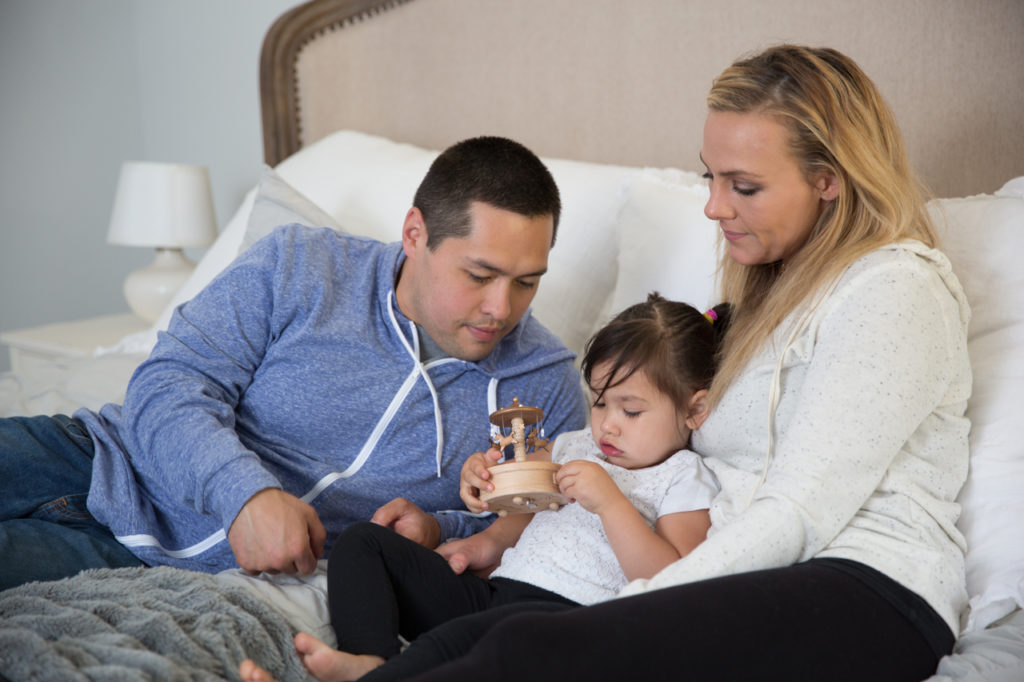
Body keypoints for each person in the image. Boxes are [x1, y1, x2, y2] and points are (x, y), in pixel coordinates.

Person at [377, 45, 973, 682]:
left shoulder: (893, 290)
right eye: (711, 177)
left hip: (870, 587)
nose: (715, 207)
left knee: (534, 651)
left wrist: (630, 606)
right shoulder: (764, 299)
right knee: (490, 642)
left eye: (743, 186)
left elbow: (799, 512)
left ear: (829, 179)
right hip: (758, 576)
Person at [0, 136, 588, 589]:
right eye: (479, 275)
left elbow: (521, 533)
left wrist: (440, 528)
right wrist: (245, 495)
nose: (500, 309)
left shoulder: (541, 385)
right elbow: (169, 383)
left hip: (140, 561)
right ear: (415, 234)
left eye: (527, 282)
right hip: (94, 454)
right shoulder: (301, 265)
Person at [239, 294, 729, 682]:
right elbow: (522, 507)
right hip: (497, 593)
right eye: (599, 403)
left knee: (456, 647)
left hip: (565, 620)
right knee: (363, 544)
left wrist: (612, 504)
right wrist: (483, 510)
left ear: (694, 410)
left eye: (632, 410)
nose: (608, 426)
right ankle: (371, 657)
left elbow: (676, 583)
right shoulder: (576, 445)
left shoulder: (685, 477)